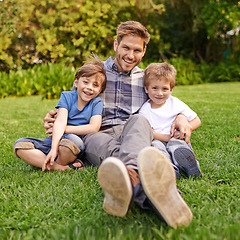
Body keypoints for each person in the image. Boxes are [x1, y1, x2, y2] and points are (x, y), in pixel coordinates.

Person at [43, 21, 194, 228]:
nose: (130, 55)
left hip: (133, 132)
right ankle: (150, 188)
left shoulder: (146, 77)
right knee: (115, 150)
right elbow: (71, 104)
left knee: (140, 119)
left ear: (144, 51)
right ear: (116, 45)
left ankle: (130, 182)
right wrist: (54, 118)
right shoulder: (95, 73)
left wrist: (182, 117)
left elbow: (166, 100)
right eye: (126, 48)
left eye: (136, 50)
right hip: (98, 133)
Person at [14, 56, 107, 172]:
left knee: (69, 143)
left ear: (100, 90)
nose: (89, 88)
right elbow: (60, 120)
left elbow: (94, 127)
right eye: (86, 82)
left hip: (73, 144)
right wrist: (53, 148)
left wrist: (65, 129)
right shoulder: (67, 96)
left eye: (95, 85)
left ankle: (47, 162)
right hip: (54, 140)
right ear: (76, 82)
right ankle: (60, 167)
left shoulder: (96, 102)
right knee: (20, 145)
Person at [139, 62, 202, 178]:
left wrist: (185, 130)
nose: (160, 93)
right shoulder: (145, 109)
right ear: (146, 89)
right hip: (158, 139)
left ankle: (191, 166)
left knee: (177, 144)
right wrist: (167, 138)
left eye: (165, 89)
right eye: (155, 88)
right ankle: (169, 168)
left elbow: (197, 120)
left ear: (171, 89)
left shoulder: (175, 102)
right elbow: (149, 133)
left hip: (177, 138)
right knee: (156, 147)